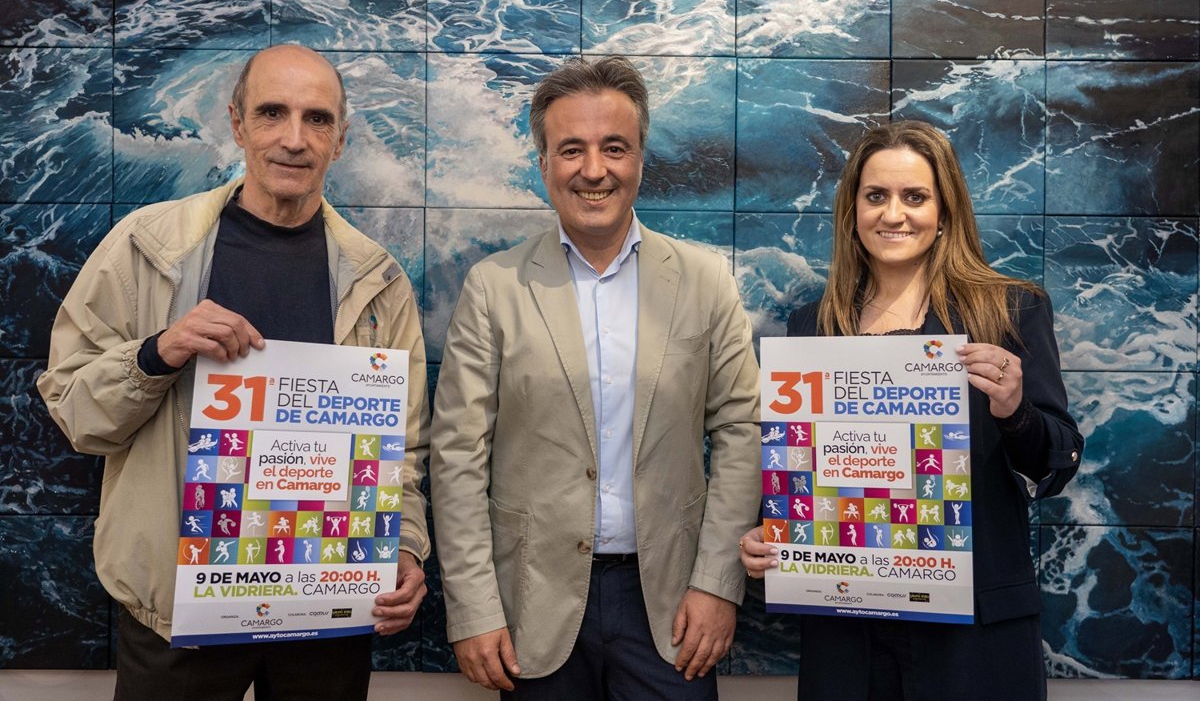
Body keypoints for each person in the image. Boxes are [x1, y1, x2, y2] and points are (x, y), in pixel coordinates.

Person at [37, 44, 430, 700]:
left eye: (317, 119)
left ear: (340, 139)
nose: (294, 138)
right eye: (272, 113)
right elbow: (76, 413)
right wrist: (156, 353)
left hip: (324, 613)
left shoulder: (378, 280)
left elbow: (403, 451)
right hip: (178, 622)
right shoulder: (148, 246)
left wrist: (407, 547)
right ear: (238, 123)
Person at [429, 56, 761, 699]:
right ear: (544, 162)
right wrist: (473, 608)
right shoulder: (493, 288)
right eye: (570, 149)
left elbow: (741, 433)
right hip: (533, 605)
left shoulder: (705, 281)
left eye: (614, 147)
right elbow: (457, 456)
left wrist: (718, 584)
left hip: (672, 606)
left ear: (639, 158)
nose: (593, 169)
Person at [739, 120, 1083, 700]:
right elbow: (804, 470)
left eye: (915, 196)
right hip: (846, 629)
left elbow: (1058, 461)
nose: (893, 214)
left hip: (973, 633)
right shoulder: (811, 324)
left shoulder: (1011, 309)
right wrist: (771, 536)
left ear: (945, 211)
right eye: (876, 196)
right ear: (852, 212)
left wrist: (1015, 410)